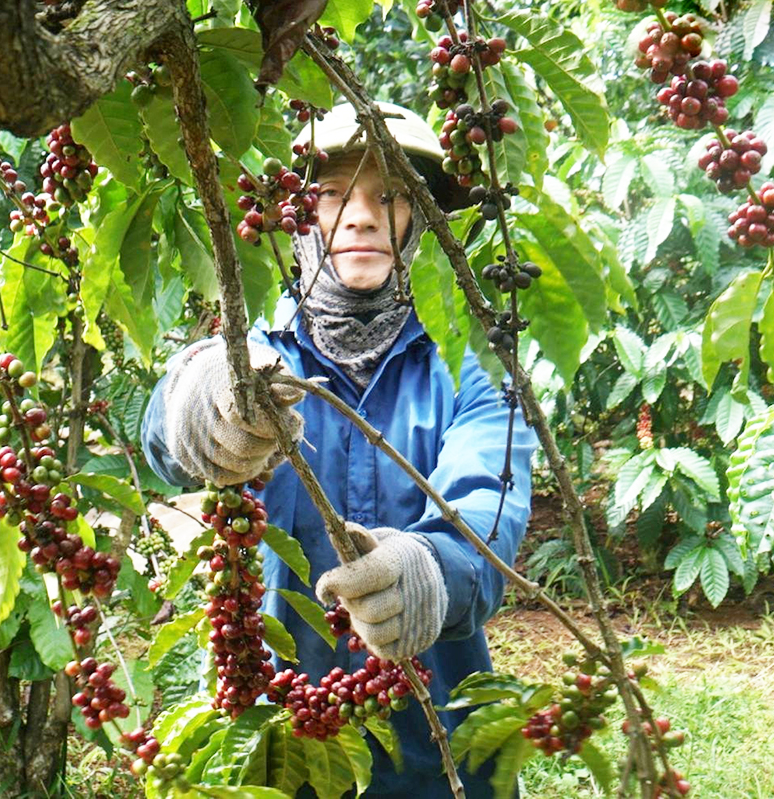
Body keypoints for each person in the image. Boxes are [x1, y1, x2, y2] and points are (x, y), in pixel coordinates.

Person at [140, 102, 538, 799]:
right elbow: (171, 431)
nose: (361, 217)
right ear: (297, 218)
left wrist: (432, 566)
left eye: (390, 195)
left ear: (420, 219)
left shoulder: (471, 363)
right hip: (279, 731)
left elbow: (490, 499)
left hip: (433, 744)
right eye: (332, 195)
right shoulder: (257, 355)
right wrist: (194, 407)